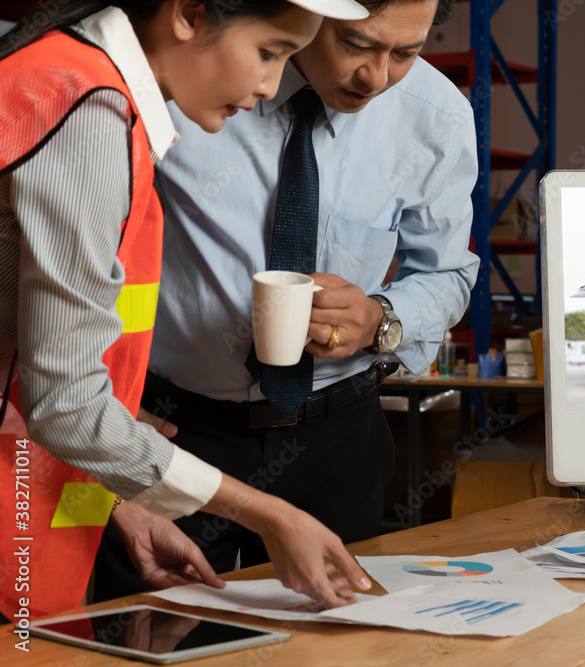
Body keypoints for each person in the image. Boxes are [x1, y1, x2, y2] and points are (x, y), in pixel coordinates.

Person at [0, 0, 376, 621]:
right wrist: (267, 513)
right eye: (269, 52)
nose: (269, 86)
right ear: (189, 14)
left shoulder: (78, 83)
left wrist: (127, 502)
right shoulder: (88, 111)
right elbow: (65, 403)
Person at [93, 0, 478, 600]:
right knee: (156, 632)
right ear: (310, 14)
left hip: (339, 437)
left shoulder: (435, 117)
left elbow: (448, 273)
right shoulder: (193, 78)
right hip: (178, 430)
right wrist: (104, 405)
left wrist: (381, 317)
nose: (376, 78)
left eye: (405, 52)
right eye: (357, 44)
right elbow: (90, 260)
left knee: (333, 642)